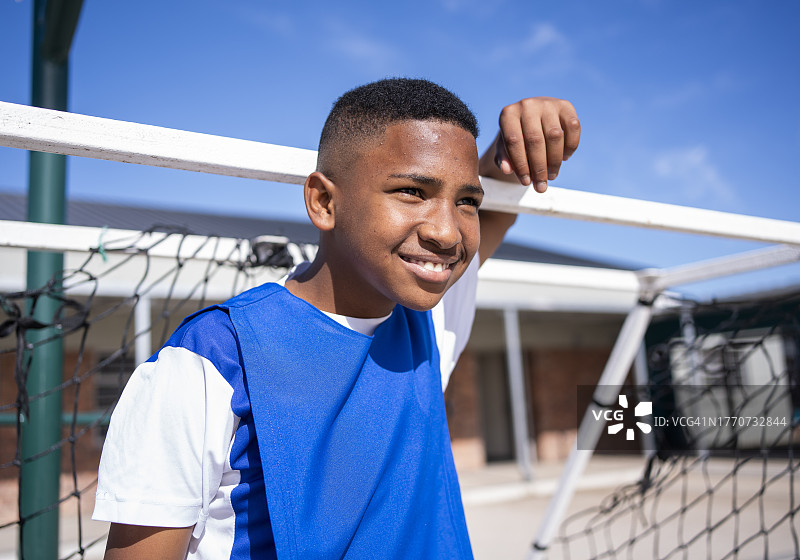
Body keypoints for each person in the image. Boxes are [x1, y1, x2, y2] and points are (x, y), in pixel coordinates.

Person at [93, 78, 580, 559]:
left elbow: (498, 200)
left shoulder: (426, 319)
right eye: (411, 190)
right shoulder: (209, 359)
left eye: (465, 201)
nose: (447, 232)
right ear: (324, 202)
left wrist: (519, 140)